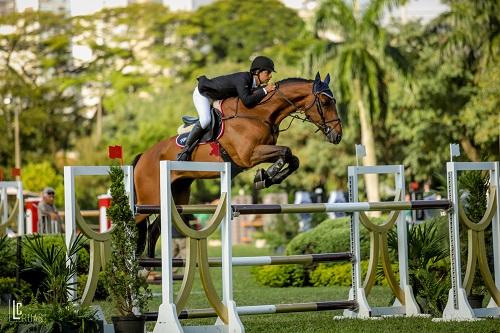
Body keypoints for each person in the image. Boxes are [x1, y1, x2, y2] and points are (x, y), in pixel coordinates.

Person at [177, 55, 277, 161]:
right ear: (257, 71)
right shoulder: (243, 78)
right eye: (268, 72)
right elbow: (247, 101)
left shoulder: (253, 83)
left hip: (216, 98)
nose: (270, 76)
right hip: (204, 94)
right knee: (206, 120)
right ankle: (185, 151)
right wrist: (265, 90)